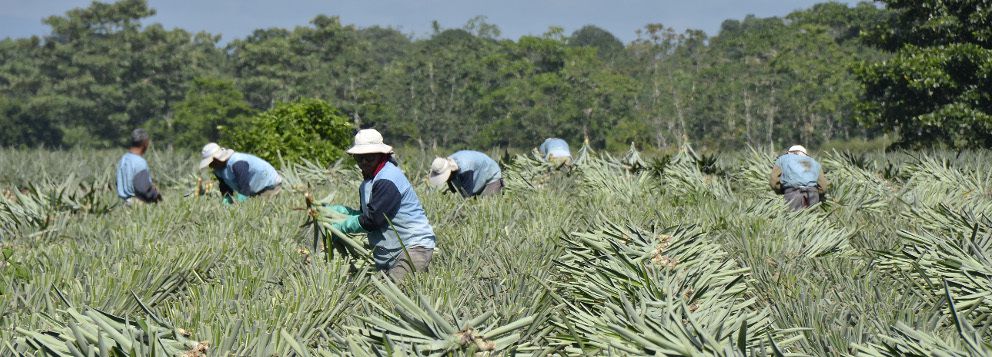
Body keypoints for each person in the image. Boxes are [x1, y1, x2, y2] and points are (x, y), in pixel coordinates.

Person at [328, 129, 436, 282]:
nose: (364, 162)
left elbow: (374, 220)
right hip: (391, 252)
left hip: (412, 248)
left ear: (381, 155)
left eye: (369, 157)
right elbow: (367, 214)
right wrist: (345, 213)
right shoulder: (368, 182)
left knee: (394, 297)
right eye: (360, 158)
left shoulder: (388, 178)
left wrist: (343, 226)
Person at [198, 143, 282, 204]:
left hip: (269, 185)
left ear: (217, 159)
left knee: (263, 210)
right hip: (255, 189)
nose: (210, 165)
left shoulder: (237, 163)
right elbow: (224, 186)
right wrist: (227, 199)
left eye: (211, 162)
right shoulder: (218, 169)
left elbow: (244, 187)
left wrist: (239, 203)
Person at [769, 145, 828, 210]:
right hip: (813, 194)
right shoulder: (815, 163)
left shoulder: (782, 159)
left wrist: (781, 190)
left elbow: (774, 181)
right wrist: (817, 192)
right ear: (805, 154)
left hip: (793, 193)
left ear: (789, 153)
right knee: (812, 218)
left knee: (795, 218)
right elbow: (823, 186)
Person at [115, 129, 162, 206]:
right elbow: (142, 188)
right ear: (145, 143)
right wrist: (155, 195)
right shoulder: (139, 162)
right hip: (137, 205)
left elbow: (118, 182)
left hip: (124, 204)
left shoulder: (123, 160)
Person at [428, 150, 503, 197]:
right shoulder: (448, 164)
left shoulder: (465, 168)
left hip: (491, 175)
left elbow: (467, 195)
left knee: (487, 205)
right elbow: (454, 188)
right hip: (477, 175)